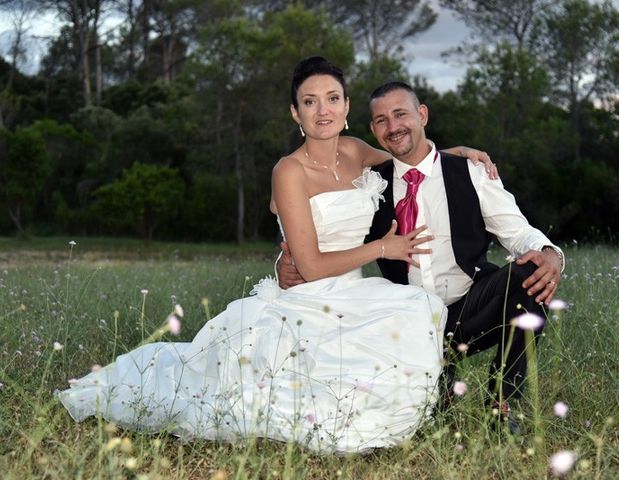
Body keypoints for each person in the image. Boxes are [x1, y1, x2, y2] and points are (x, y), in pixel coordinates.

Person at [56, 57, 494, 454]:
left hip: (354, 293)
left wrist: (457, 154)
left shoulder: (356, 150)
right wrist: (383, 247)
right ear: (295, 113)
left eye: (332, 99)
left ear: (346, 106)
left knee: (415, 308)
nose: (322, 110)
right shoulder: (288, 171)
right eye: (309, 101)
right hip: (305, 294)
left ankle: (425, 411)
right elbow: (309, 266)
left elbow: (411, 161)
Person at [278, 81, 565, 435]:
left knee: (529, 272)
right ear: (373, 130)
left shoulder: (469, 172)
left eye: (401, 114)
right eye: (381, 120)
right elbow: (330, 231)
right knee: (425, 419)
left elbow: (519, 233)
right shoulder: (370, 186)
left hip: (470, 307)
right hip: (406, 322)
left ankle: (503, 400)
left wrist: (551, 254)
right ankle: (437, 384)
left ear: (422, 114)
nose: (393, 126)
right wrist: (287, 261)